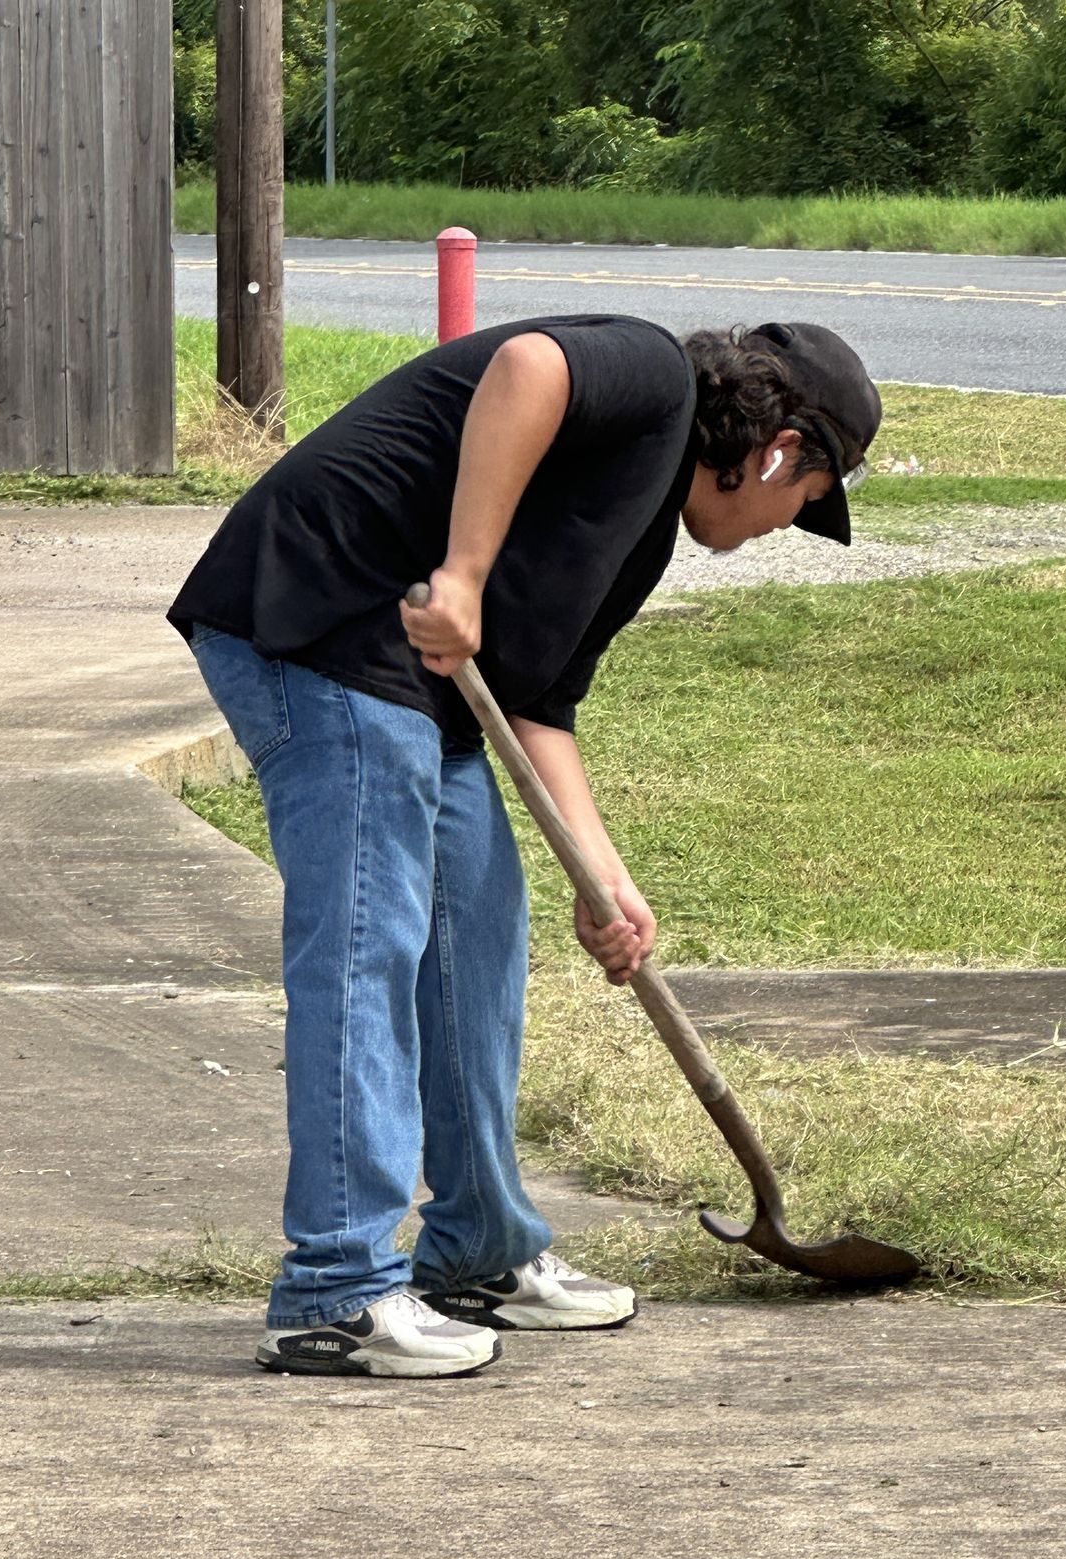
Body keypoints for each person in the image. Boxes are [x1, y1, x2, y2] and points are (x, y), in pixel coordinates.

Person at [167, 315, 881, 1379]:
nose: (793, 520)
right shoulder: (648, 377)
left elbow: (541, 703)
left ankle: (479, 1251)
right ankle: (336, 1290)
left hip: (417, 685)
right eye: (810, 499)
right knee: (370, 942)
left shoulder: (634, 533)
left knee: (481, 934)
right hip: (322, 625)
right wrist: (462, 572)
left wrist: (605, 881)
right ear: (781, 452)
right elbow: (527, 367)